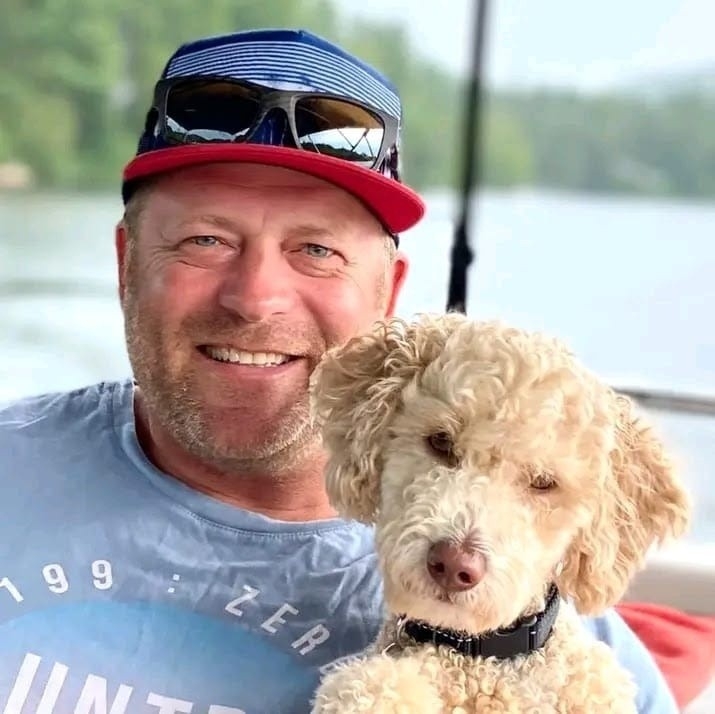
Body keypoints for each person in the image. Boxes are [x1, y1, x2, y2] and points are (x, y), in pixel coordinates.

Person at [0, 28, 678, 714]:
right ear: (126, 265)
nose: (254, 298)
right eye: (206, 240)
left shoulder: (538, 636)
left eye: (317, 250)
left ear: (387, 294)